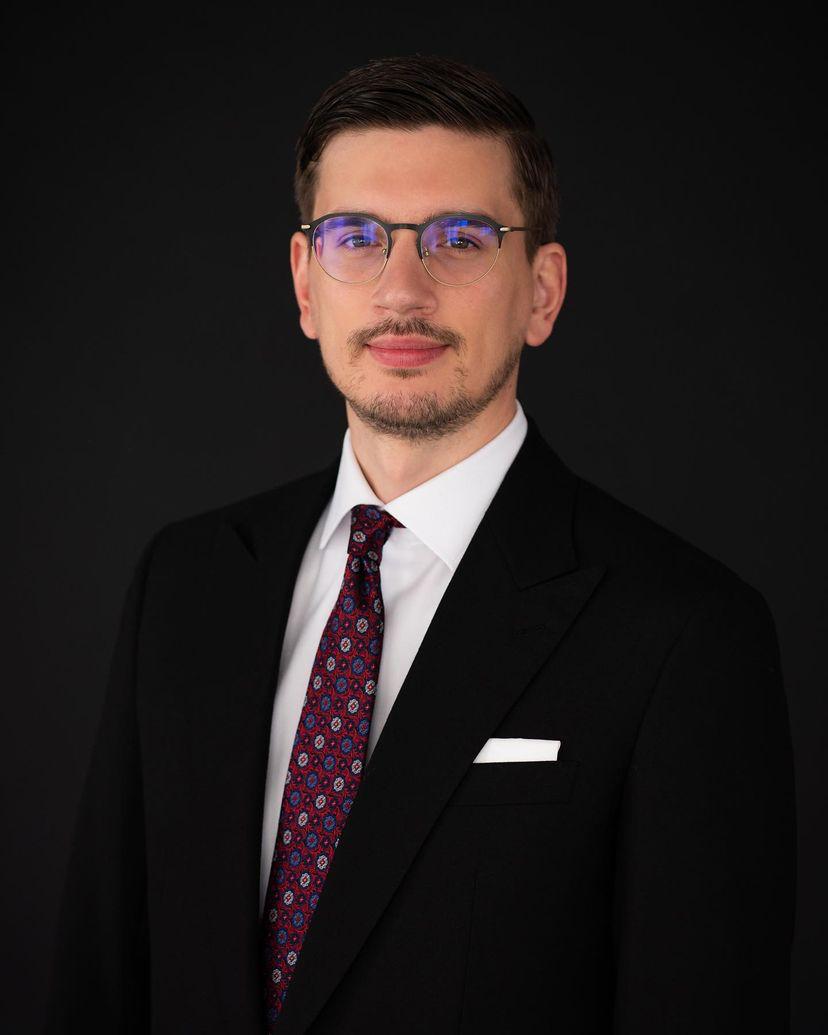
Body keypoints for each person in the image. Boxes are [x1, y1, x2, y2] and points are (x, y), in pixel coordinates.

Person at [45, 55, 796, 1034]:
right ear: (307, 285)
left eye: (459, 238)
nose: (403, 288)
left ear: (542, 290)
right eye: (357, 237)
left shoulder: (685, 634)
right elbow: (101, 983)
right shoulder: (186, 584)